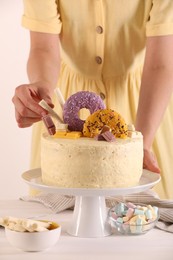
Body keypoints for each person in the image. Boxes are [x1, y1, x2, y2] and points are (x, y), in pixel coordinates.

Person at [12, 1, 173, 199]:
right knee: (59, 219)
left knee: (143, 220)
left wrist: (140, 145)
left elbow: (161, 64)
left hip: (146, 108)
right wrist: (41, 86)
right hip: (65, 118)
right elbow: (43, 48)